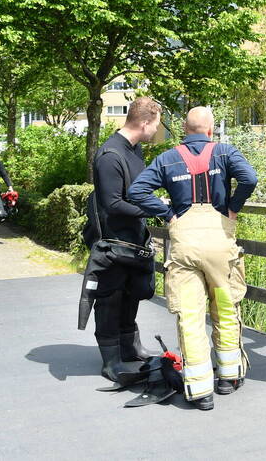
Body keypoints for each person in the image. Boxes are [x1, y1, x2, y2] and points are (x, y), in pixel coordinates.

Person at [128, 106, 257, 411]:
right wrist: (232, 207)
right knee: (225, 308)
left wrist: (169, 213)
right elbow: (249, 178)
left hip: (185, 242)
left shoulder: (168, 158)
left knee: (190, 315)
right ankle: (228, 377)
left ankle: (200, 392)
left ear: (185, 130)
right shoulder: (225, 152)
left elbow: (137, 191)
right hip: (219, 242)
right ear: (210, 130)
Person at [83, 97, 163, 385]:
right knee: (110, 298)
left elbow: (137, 191)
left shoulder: (134, 150)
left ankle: (131, 347)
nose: (157, 130)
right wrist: (156, 209)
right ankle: (111, 360)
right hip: (113, 243)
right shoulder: (110, 155)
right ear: (144, 123)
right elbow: (112, 203)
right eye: (156, 125)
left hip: (134, 240)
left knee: (132, 294)